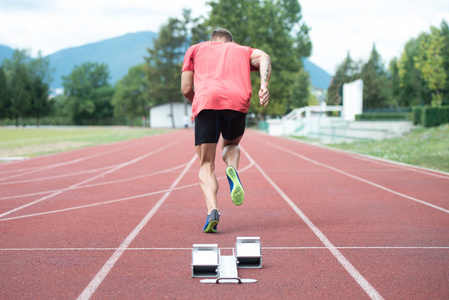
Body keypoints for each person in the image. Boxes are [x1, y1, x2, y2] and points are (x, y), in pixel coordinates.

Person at [181, 28, 271, 233]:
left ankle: (212, 211)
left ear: (211, 40)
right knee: (231, 144)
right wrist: (264, 85)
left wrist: (198, 103)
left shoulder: (195, 49)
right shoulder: (242, 51)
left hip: (206, 101)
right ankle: (232, 167)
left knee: (206, 164)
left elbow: (186, 89)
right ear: (232, 41)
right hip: (237, 101)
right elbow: (264, 57)